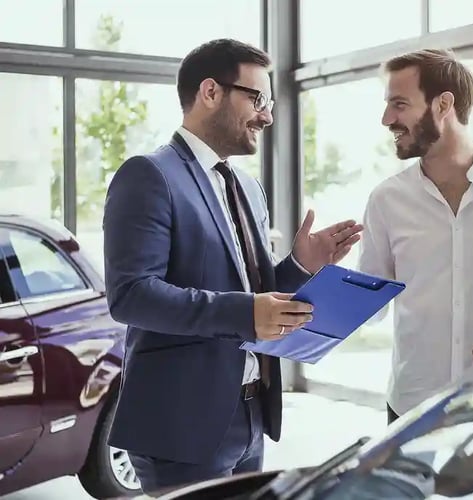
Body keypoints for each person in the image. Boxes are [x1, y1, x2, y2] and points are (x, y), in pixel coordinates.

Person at [102, 38, 362, 494]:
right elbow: (132, 295)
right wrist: (244, 313)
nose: (267, 115)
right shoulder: (148, 175)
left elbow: (251, 293)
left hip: (249, 415)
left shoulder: (247, 186)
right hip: (180, 426)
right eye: (257, 98)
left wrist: (301, 264)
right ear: (210, 92)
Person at [357, 49, 473, 423]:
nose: (387, 119)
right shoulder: (387, 200)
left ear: (443, 104)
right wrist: (313, 274)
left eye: (399, 104)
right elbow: (367, 307)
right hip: (411, 406)